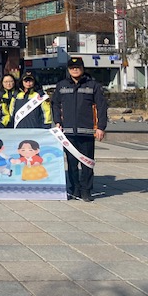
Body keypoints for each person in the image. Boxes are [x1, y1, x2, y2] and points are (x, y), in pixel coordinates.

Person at [52, 56, 108, 202]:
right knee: (71, 164)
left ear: (83, 69)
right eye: (72, 68)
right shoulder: (62, 85)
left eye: (77, 67)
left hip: (87, 131)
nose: (75, 70)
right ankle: (74, 189)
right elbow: (55, 104)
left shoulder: (93, 85)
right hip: (68, 132)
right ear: (68, 70)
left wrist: (101, 127)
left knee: (87, 163)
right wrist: (57, 121)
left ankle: (86, 190)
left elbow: (101, 107)